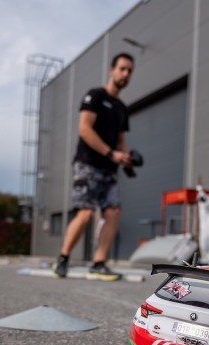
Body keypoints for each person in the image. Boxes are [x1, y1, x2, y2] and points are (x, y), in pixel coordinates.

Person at [53, 52, 136, 281]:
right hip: (88, 164)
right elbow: (84, 129)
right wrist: (110, 153)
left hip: (110, 169)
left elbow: (121, 140)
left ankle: (99, 262)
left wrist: (126, 158)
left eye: (129, 71)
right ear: (111, 70)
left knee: (113, 212)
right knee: (85, 212)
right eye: (122, 69)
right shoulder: (95, 96)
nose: (125, 74)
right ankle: (63, 258)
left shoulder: (122, 108)